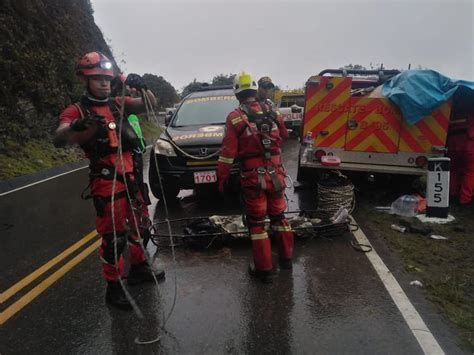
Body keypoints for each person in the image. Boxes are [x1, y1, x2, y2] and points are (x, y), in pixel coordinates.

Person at [54, 52, 164, 310]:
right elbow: (59, 137)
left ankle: (139, 268)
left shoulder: (118, 103)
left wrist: (138, 83)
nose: (104, 83)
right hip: (106, 180)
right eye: (97, 79)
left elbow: (149, 104)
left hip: (131, 176)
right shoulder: (77, 110)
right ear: (85, 80)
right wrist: (75, 128)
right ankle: (114, 288)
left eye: (107, 78)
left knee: (139, 227)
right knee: (114, 237)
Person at [217, 72, 294, 283]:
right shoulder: (272, 111)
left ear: (237, 93)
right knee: (279, 217)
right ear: (253, 90)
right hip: (276, 174)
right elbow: (285, 135)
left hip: (253, 179)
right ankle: (287, 261)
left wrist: (221, 178)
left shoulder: (234, 117)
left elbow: (227, 154)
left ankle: (264, 270)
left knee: (257, 223)